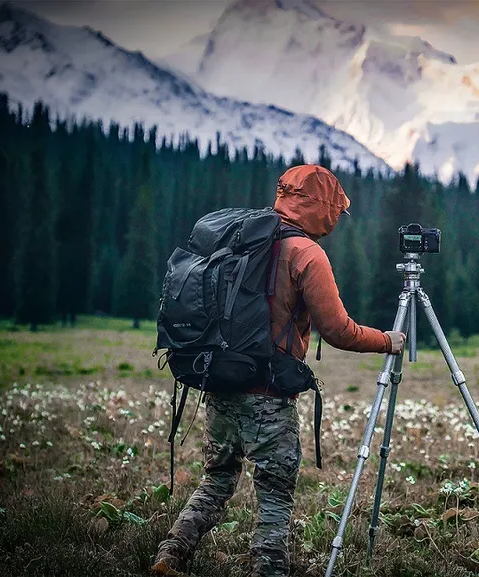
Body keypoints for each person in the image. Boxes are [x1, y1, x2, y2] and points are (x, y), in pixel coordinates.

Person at [151, 164, 406, 577]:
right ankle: (268, 569)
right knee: (274, 494)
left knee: (217, 480)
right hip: (268, 395)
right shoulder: (306, 254)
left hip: (219, 379)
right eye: (335, 212)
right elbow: (338, 331)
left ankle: (170, 553)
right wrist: (387, 341)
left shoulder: (244, 236)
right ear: (322, 208)